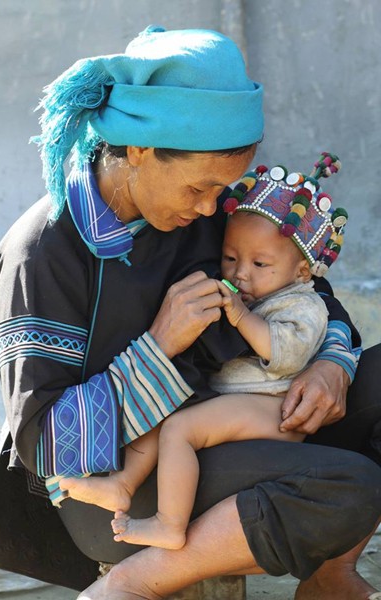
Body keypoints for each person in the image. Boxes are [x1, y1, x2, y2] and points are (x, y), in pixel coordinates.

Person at [0, 25, 380, 600]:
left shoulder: (209, 209)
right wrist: (158, 348)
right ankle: (130, 583)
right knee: (349, 485)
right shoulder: (44, 253)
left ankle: (327, 578)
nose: (213, 206)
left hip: (238, 425)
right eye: (200, 187)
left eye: (223, 189)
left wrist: (332, 365)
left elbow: (309, 289)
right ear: (140, 153)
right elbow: (47, 447)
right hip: (122, 489)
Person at [63, 154, 341, 551]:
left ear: (301, 272)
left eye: (260, 263)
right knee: (166, 408)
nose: (240, 273)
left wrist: (242, 316)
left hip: (274, 405)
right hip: (237, 397)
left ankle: (169, 524)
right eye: (230, 258)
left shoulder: (304, 305)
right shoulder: (253, 287)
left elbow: (285, 355)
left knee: (180, 431)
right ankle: (123, 484)